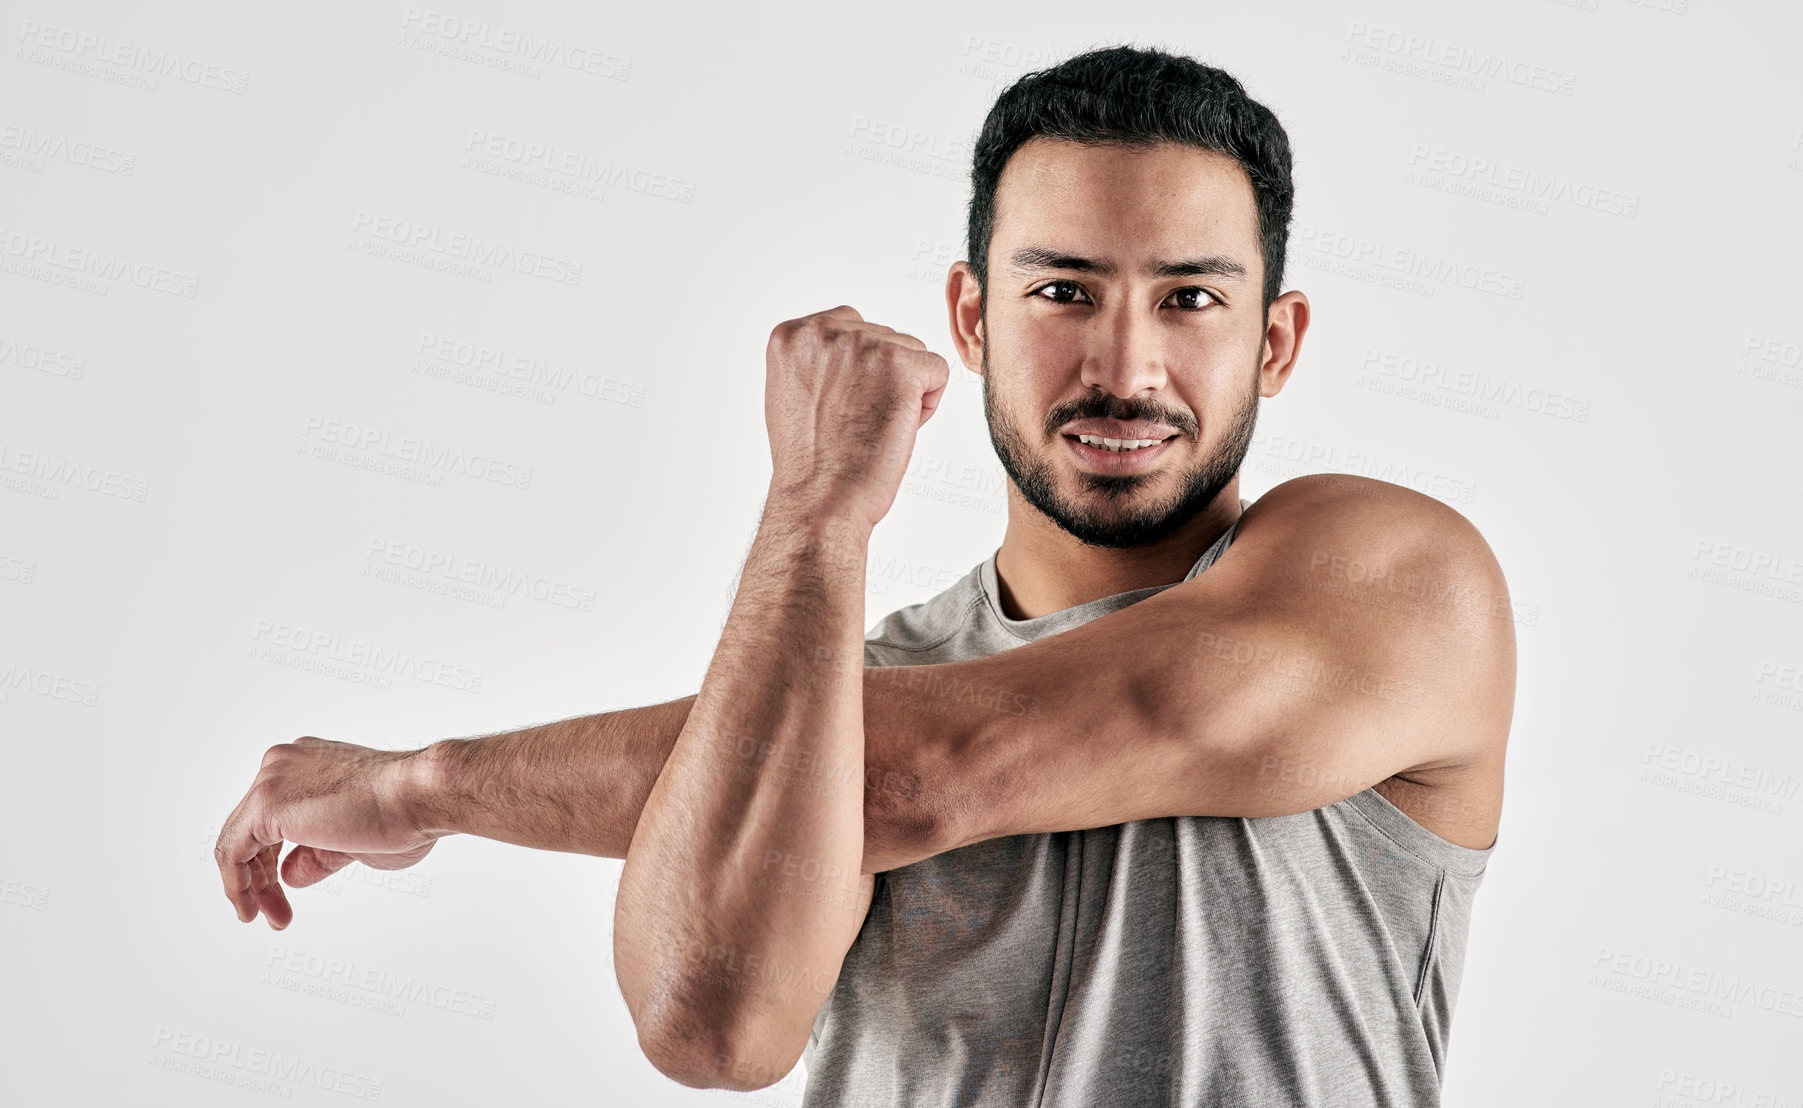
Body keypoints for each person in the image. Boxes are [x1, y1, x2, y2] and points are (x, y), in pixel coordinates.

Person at [215, 44, 1514, 1106]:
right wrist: (815, 513)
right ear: (971, 316)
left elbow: (935, 769)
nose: (1127, 364)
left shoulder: (1396, 581)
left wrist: (427, 784)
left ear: (1276, 340)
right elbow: (710, 1026)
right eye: (1065, 289)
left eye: (1190, 299)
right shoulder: (840, 682)